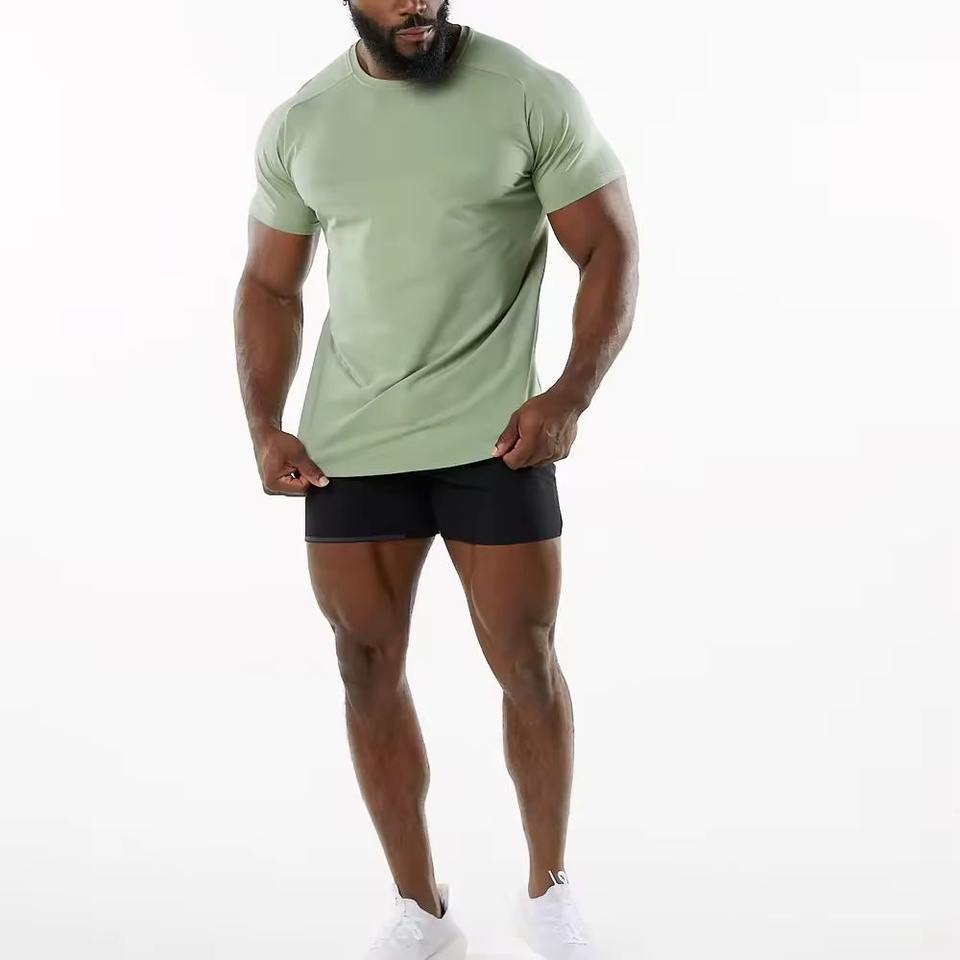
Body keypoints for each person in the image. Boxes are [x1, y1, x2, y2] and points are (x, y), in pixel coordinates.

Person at [233, 2, 639, 957]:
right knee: (363, 665)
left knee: (528, 663)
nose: (418, 0)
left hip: (496, 440)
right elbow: (269, 283)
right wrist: (263, 423)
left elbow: (609, 246)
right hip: (352, 444)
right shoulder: (304, 123)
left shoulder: (527, 93)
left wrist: (569, 395)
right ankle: (421, 908)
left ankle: (548, 891)